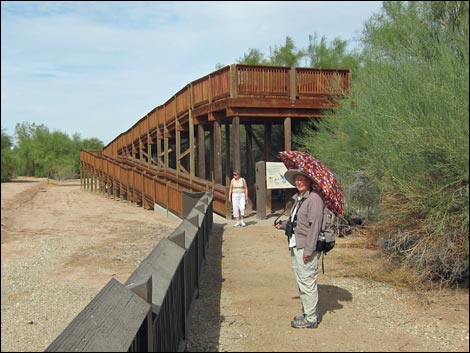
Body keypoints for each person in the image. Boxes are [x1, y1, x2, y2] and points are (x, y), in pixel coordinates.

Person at [274, 169, 324, 329]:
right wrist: (283, 225)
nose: (299, 182)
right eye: (297, 180)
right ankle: (308, 313)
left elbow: (314, 227)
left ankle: (310, 318)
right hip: (296, 245)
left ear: (310, 182)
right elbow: (298, 224)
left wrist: (309, 251)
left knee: (307, 281)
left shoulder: (314, 199)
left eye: (302, 179)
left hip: (305, 248)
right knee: (301, 281)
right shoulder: (299, 199)